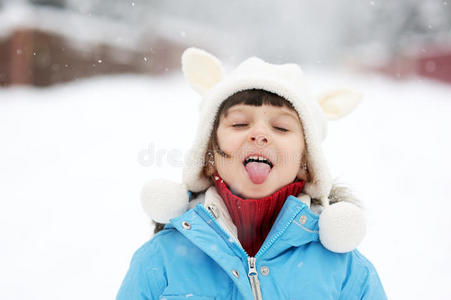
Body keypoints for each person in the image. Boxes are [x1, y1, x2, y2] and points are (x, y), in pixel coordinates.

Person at [116, 48, 387, 299]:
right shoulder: (161, 259)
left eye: (281, 128)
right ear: (208, 158)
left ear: (306, 163)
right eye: (240, 123)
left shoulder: (345, 270)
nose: (259, 134)